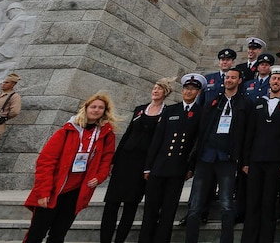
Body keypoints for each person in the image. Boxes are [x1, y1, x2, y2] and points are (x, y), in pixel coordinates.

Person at [22, 92, 117, 243]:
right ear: (85, 108)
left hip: (76, 192)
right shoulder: (67, 130)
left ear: (105, 112)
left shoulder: (106, 135)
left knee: (58, 235)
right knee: (36, 233)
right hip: (54, 189)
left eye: (101, 108)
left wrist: (99, 177)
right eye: (93, 106)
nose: (96, 110)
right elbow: (45, 161)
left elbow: (107, 160)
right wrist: (43, 191)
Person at [100, 77, 173, 243]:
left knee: (130, 205)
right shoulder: (140, 109)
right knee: (111, 204)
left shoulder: (167, 112)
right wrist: (114, 160)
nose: (155, 91)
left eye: (159, 89)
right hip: (125, 160)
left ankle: (119, 240)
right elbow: (127, 135)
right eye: (154, 88)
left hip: (143, 163)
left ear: (165, 93)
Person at [186, 67, 252, 243]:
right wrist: (193, 162)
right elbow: (201, 131)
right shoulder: (213, 102)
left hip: (227, 160)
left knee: (226, 205)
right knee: (195, 206)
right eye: (227, 77)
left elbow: (247, 135)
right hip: (206, 157)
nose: (229, 80)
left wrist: (242, 160)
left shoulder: (245, 104)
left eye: (233, 78)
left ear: (239, 81)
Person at [138, 73, 205, 243]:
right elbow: (157, 140)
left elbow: (198, 143)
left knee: (168, 210)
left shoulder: (200, 113)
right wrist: (148, 166)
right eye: (186, 88)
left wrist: (191, 167)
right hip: (159, 166)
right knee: (151, 209)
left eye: (193, 89)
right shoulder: (170, 110)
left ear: (198, 92)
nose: (189, 92)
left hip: (178, 168)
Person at [241, 64, 280, 243]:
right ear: (269, 81)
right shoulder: (259, 102)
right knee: (253, 202)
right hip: (256, 159)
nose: (276, 81)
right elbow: (250, 132)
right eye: (274, 78)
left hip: (275, 160)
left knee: (269, 203)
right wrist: (246, 160)